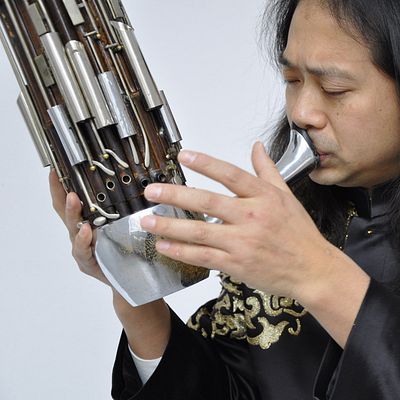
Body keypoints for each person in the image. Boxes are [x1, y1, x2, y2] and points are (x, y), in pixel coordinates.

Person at [50, 0, 400, 398]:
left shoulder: (289, 244)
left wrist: (317, 274)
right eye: (292, 80)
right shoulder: (283, 227)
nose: (301, 112)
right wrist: (136, 292)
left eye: (334, 88)